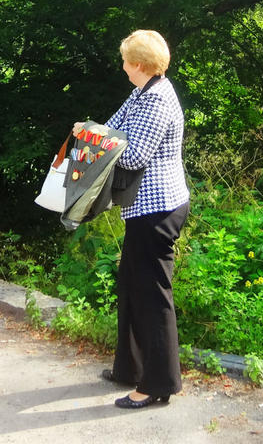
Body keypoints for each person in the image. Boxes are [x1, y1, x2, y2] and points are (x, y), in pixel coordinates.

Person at [73, 29, 190, 409]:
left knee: (152, 296)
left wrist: (94, 140)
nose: (122, 66)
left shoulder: (157, 99)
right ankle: (130, 368)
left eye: (125, 60)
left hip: (159, 209)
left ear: (139, 64)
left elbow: (134, 155)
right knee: (131, 285)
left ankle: (158, 385)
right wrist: (92, 132)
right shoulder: (141, 92)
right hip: (142, 207)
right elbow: (114, 125)